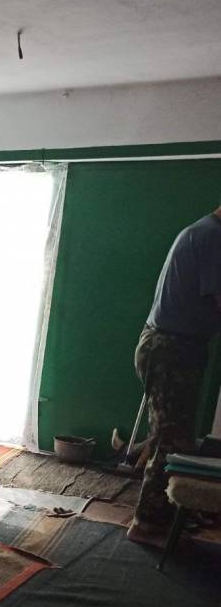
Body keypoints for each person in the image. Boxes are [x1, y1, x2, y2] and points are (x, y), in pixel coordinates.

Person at [128, 207, 221, 545]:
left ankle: (165, 512)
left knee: (170, 434)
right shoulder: (212, 237)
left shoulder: (203, 232)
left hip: (174, 346)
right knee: (172, 440)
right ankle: (148, 524)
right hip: (172, 348)